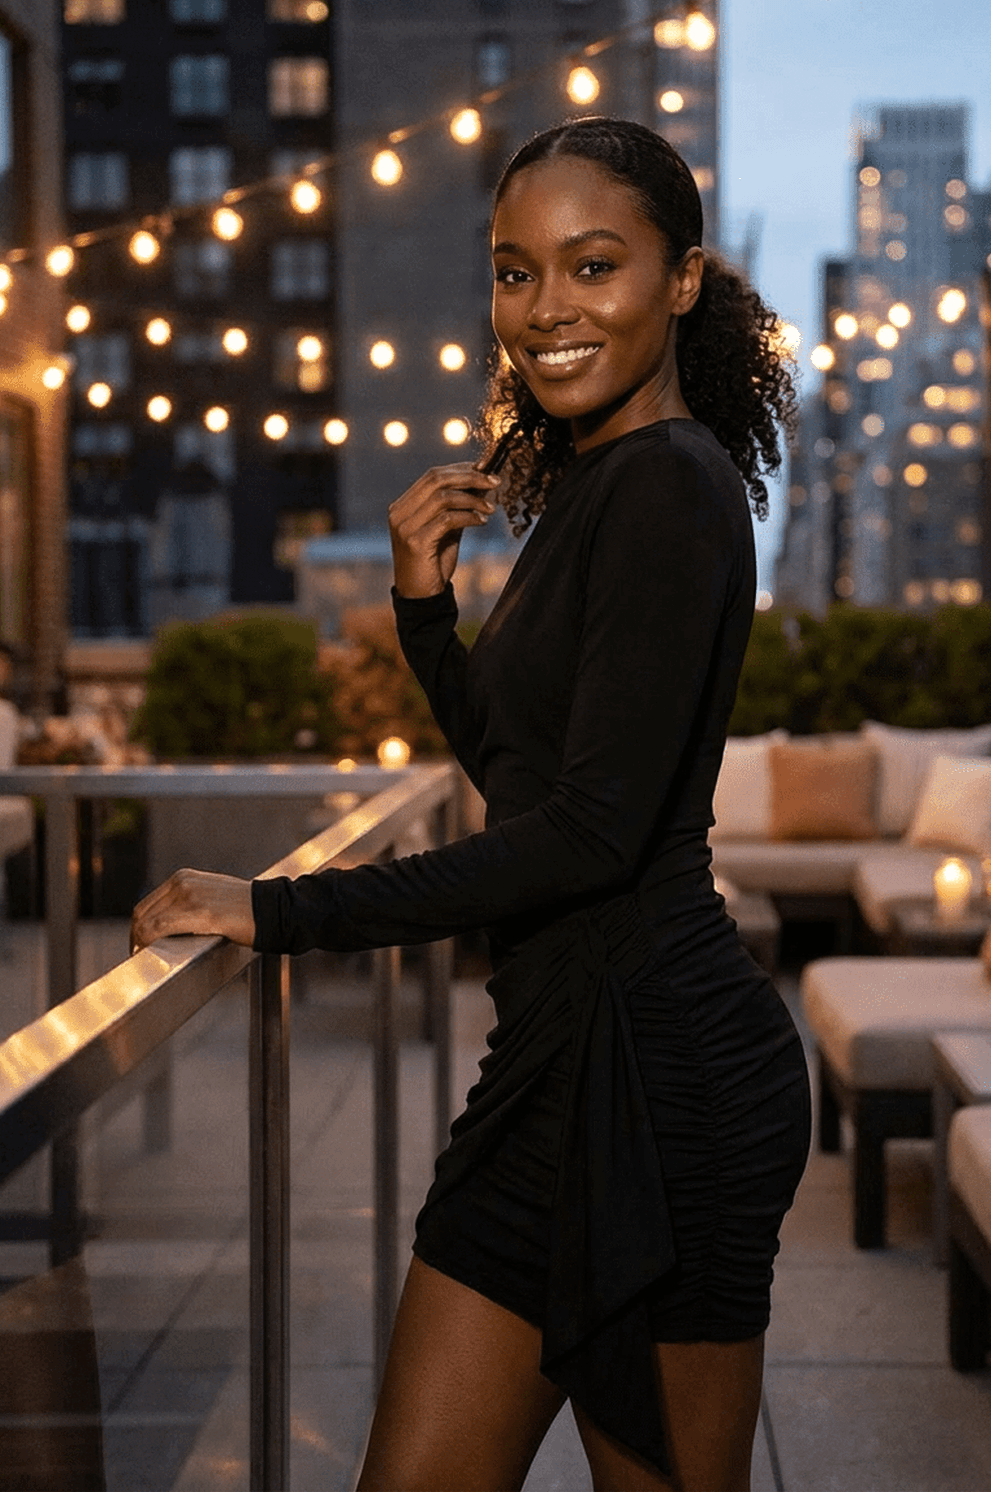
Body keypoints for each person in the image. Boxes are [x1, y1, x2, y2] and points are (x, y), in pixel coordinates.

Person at [131, 115, 810, 1492]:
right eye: (516, 272)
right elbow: (524, 779)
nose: (546, 310)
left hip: (666, 1082)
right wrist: (424, 612)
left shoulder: (672, 490)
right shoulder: (604, 488)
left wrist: (277, 910)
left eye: (594, 265)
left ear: (682, 282)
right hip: (558, 1068)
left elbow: (589, 840)